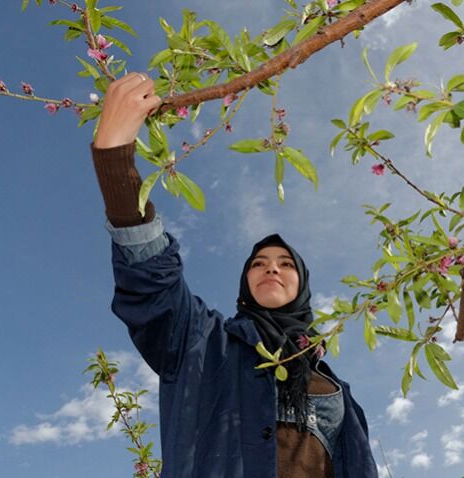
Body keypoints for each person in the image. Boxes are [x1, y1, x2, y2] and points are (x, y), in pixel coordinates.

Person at [90, 72, 378, 478]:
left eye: (285, 263)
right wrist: (115, 160)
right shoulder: (202, 342)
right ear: (245, 285)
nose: (271, 268)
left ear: (303, 287)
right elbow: (152, 281)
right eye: (258, 264)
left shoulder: (335, 389)